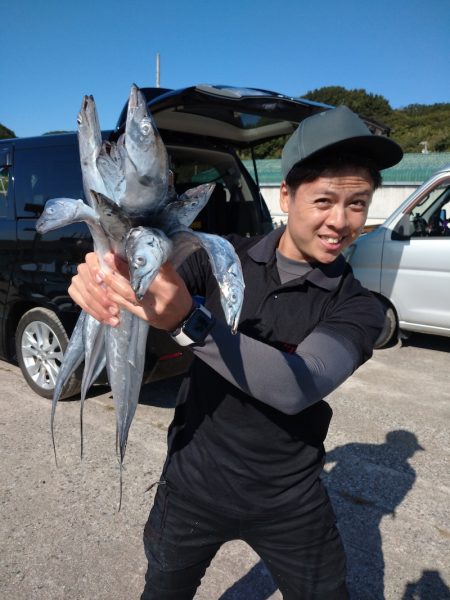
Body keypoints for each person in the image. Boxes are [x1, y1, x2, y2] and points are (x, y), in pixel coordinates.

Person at [68, 106, 403, 599]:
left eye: (357, 204)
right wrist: (102, 279)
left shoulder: (358, 306)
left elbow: (298, 384)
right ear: (286, 195)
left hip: (289, 498)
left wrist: (189, 321)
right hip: (192, 485)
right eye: (325, 200)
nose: (341, 221)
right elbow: (154, 284)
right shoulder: (220, 255)